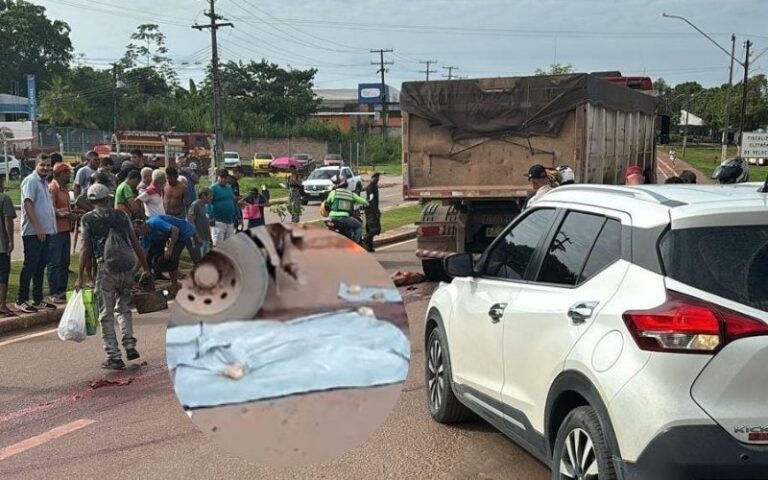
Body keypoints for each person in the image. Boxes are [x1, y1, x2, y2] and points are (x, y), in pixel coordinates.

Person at [76, 184, 151, 370]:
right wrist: (146, 268)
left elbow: (85, 249)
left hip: (105, 268)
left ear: (91, 201)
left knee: (106, 314)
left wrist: (80, 277)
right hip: (126, 267)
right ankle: (130, 343)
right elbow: (135, 243)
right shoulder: (121, 216)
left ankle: (114, 355)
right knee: (123, 308)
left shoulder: (88, 219)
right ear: (108, 199)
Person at [15, 154, 58, 314]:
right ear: (36, 165)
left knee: (41, 266)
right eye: (43, 165)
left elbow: (44, 205)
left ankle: (38, 298)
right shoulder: (31, 181)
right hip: (33, 232)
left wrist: (56, 212)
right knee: (30, 265)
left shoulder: (44, 183)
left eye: (48, 165)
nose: (46, 168)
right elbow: (28, 203)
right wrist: (38, 227)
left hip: (46, 231)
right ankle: (21, 299)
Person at [145, 214, 198, 298]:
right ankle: (175, 287)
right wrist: (139, 269)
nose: (140, 235)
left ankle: (175, 289)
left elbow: (175, 230)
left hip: (183, 232)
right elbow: (145, 252)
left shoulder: (155, 223)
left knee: (171, 260)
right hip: (172, 235)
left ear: (143, 227)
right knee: (160, 260)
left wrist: (169, 249)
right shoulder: (145, 234)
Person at [47, 163, 75, 304]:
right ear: (59, 174)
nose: (69, 175)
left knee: (65, 262)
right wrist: (65, 214)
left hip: (65, 230)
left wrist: (71, 214)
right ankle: (54, 292)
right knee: (55, 263)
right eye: (66, 173)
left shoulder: (64, 189)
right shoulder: (53, 188)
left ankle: (62, 290)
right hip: (55, 231)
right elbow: (50, 210)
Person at [326, 175, 369, 243]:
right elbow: (363, 201)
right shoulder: (351, 194)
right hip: (344, 218)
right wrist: (368, 203)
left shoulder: (333, 192)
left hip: (331, 217)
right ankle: (356, 243)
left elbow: (327, 202)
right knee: (358, 226)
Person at [0, 176, 16, 317]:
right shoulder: (4, 198)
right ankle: (2, 305)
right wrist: (10, 240)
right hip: (1, 245)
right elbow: (8, 219)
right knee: (3, 273)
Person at [208, 169, 237, 246]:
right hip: (218, 221)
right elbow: (208, 203)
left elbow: (233, 202)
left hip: (230, 221)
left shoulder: (229, 188)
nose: (224, 179)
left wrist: (237, 216)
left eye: (226, 178)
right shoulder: (213, 188)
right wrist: (211, 217)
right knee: (218, 245)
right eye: (222, 177)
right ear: (218, 177)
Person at [189, 187, 213, 258]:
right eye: (209, 196)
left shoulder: (204, 206)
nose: (211, 198)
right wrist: (197, 236)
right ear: (203, 195)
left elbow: (206, 222)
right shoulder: (195, 205)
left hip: (206, 238)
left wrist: (210, 237)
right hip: (199, 238)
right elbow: (191, 221)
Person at [363, 172, 381, 252]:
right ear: (372, 178)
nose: (377, 179)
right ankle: (365, 239)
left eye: (378, 178)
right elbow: (372, 200)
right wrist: (376, 211)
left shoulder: (374, 186)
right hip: (371, 210)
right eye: (376, 177)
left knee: (370, 228)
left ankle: (369, 247)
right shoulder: (370, 187)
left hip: (372, 209)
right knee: (375, 229)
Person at [229, 166, 244, 230]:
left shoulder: (228, 179)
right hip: (233, 211)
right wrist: (241, 198)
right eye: (241, 175)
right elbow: (235, 198)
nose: (241, 177)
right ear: (237, 173)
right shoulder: (234, 183)